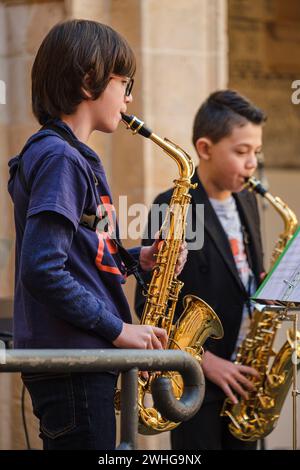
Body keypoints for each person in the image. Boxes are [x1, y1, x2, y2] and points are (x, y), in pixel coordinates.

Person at [7, 19, 187, 450]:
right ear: (89, 80)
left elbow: (82, 252)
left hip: (82, 359)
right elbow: (43, 269)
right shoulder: (60, 158)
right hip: (76, 361)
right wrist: (118, 330)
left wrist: (136, 260)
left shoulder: (69, 156)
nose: (130, 98)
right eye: (124, 83)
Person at [135, 90, 266, 450]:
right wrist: (206, 362)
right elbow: (149, 304)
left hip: (244, 377)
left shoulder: (248, 201)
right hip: (195, 384)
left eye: (256, 151)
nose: (252, 162)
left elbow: (247, 275)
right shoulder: (172, 206)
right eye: (241, 152)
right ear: (205, 148)